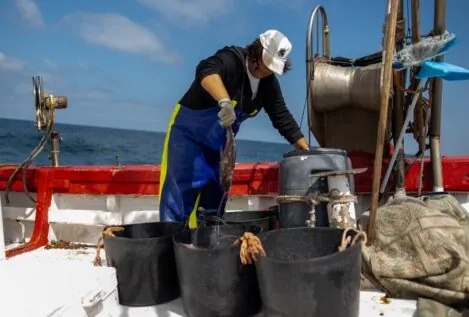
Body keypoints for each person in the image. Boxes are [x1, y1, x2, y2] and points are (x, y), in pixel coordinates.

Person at [158, 29, 310, 228]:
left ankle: (206, 247)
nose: (268, 70)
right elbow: (206, 71)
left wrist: (307, 151)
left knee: (216, 198)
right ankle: (172, 245)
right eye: (267, 62)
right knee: (179, 193)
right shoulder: (232, 60)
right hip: (189, 135)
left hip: (221, 146)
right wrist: (224, 101)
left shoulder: (268, 84)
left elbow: (282, 117)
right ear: (257, 51)